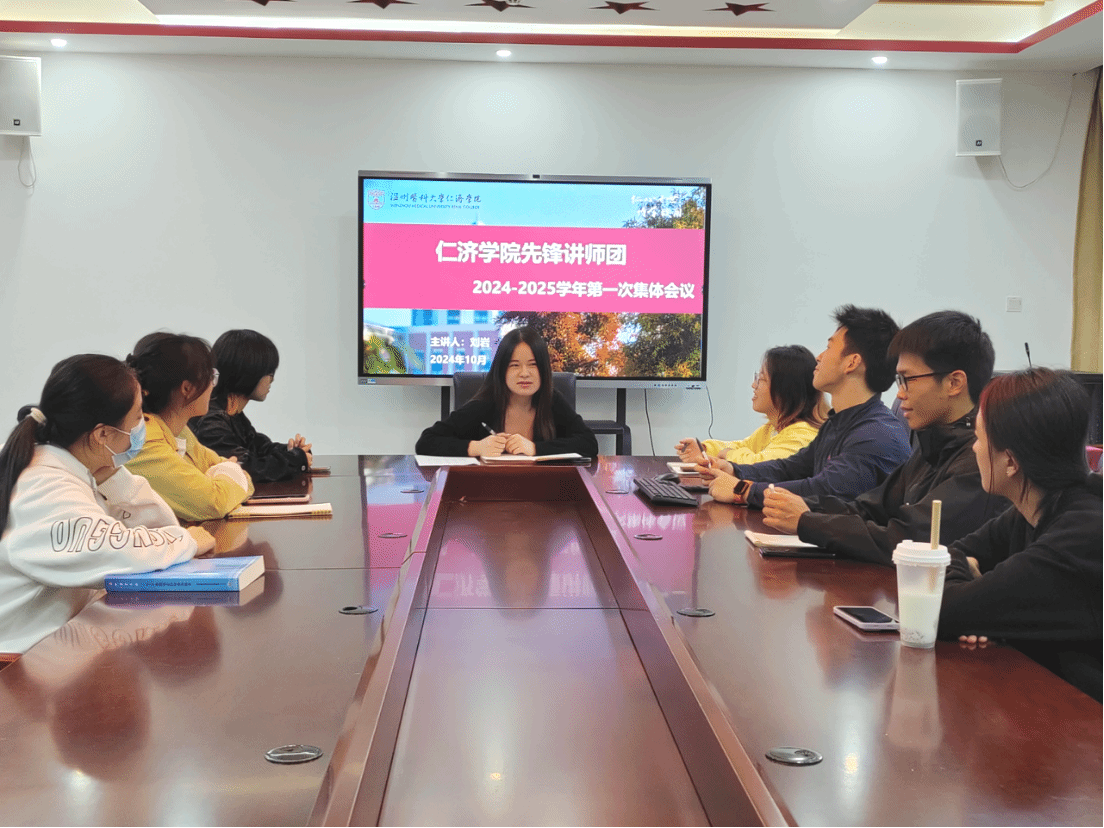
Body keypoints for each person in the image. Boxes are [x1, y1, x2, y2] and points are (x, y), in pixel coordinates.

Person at [0, 355, 212, 655]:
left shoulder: (67, 468)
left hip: (53, 646)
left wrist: (114, 477)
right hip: (19, 662)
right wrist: (185, 540)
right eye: (138, 417)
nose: (143, 426)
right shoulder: (44, 485)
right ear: (102, 434)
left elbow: (159, 526)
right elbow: (120, 551)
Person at [763, 311, 1008, 563]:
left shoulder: (979, 461)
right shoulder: (932, 447)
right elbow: (869, 509)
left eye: (907, 379)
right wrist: (801, 508)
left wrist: (807, 521)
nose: (900, 394)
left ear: (954, 383)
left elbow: (907, 539)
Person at [937, 369, 1101, 702]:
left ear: (1011, 461)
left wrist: (977, 602)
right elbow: (947, 555)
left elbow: (940, 610)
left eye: (979, 438)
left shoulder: (1083, 534)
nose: (974, 448)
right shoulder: (1032, 509)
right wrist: (980, 602)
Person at [699, 305, 911, 507]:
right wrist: (735, 470)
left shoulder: (876, 435)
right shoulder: (839, 423)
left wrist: (743, 490)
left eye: (828, 347)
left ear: (852, 363)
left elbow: (822, 491)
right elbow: (791, 468)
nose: (819, 357)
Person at [124, 333, 254, 521]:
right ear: (187, 388)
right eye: (211, 376)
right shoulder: (143, 442)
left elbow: (242, 478)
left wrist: (228, 474)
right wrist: (229, 473)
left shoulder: (179, 430)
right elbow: (213, 503)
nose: (213, 386)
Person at [415, 327, 598, 458]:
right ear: (502, 370)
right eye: (515, 365)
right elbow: (426, 442)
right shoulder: (484, 405)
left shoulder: (551, 401)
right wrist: (476, 447)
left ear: (544, 369)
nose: (524, 373)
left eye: (533, 365)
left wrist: (535, 448)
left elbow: (589, 443)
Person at [189, 329, 311, 483]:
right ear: (248, 372)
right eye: (269, 372)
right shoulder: (211, 420)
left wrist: (293, 451)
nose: (272, 379)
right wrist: (295, 459)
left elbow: (258, 447)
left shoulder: (232, 413)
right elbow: (244, 468)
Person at [675, 345, 825, 466]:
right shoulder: (771, 429)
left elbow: (762, 465)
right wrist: (704, 449)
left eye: (761, 379)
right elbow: (742, 446)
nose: (754, 385)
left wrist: (728, 455)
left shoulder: (802, 434)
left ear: (784, 389)